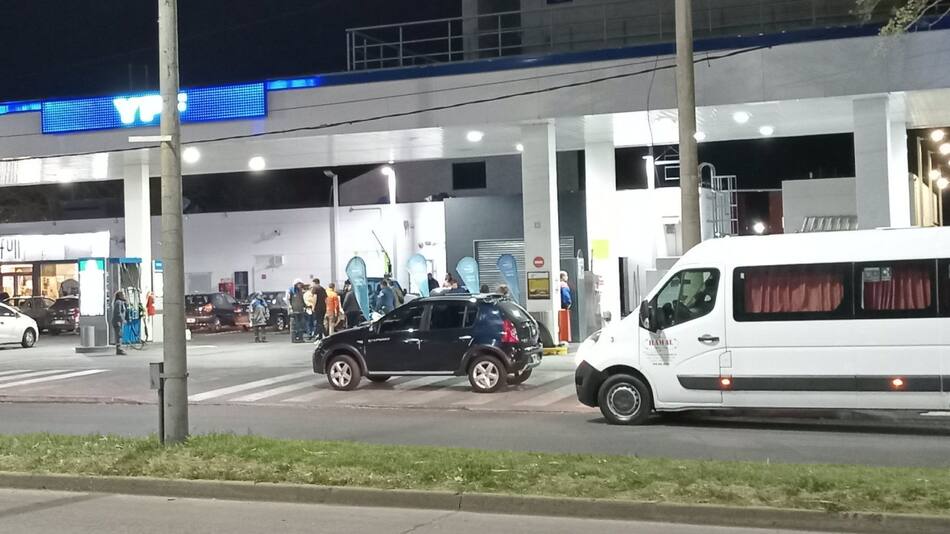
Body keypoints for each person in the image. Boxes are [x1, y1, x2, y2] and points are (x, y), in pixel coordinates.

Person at [111, 291, 128, 355]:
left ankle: (119, 348)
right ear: (120, 295)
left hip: (119, 322)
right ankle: (119, 349)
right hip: (118, 322)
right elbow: (118, 313)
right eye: (123, 294)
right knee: (119, 335)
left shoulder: (121, 302)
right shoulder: (118, 302)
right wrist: (123, 320)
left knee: (119, 335)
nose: (124, 295)